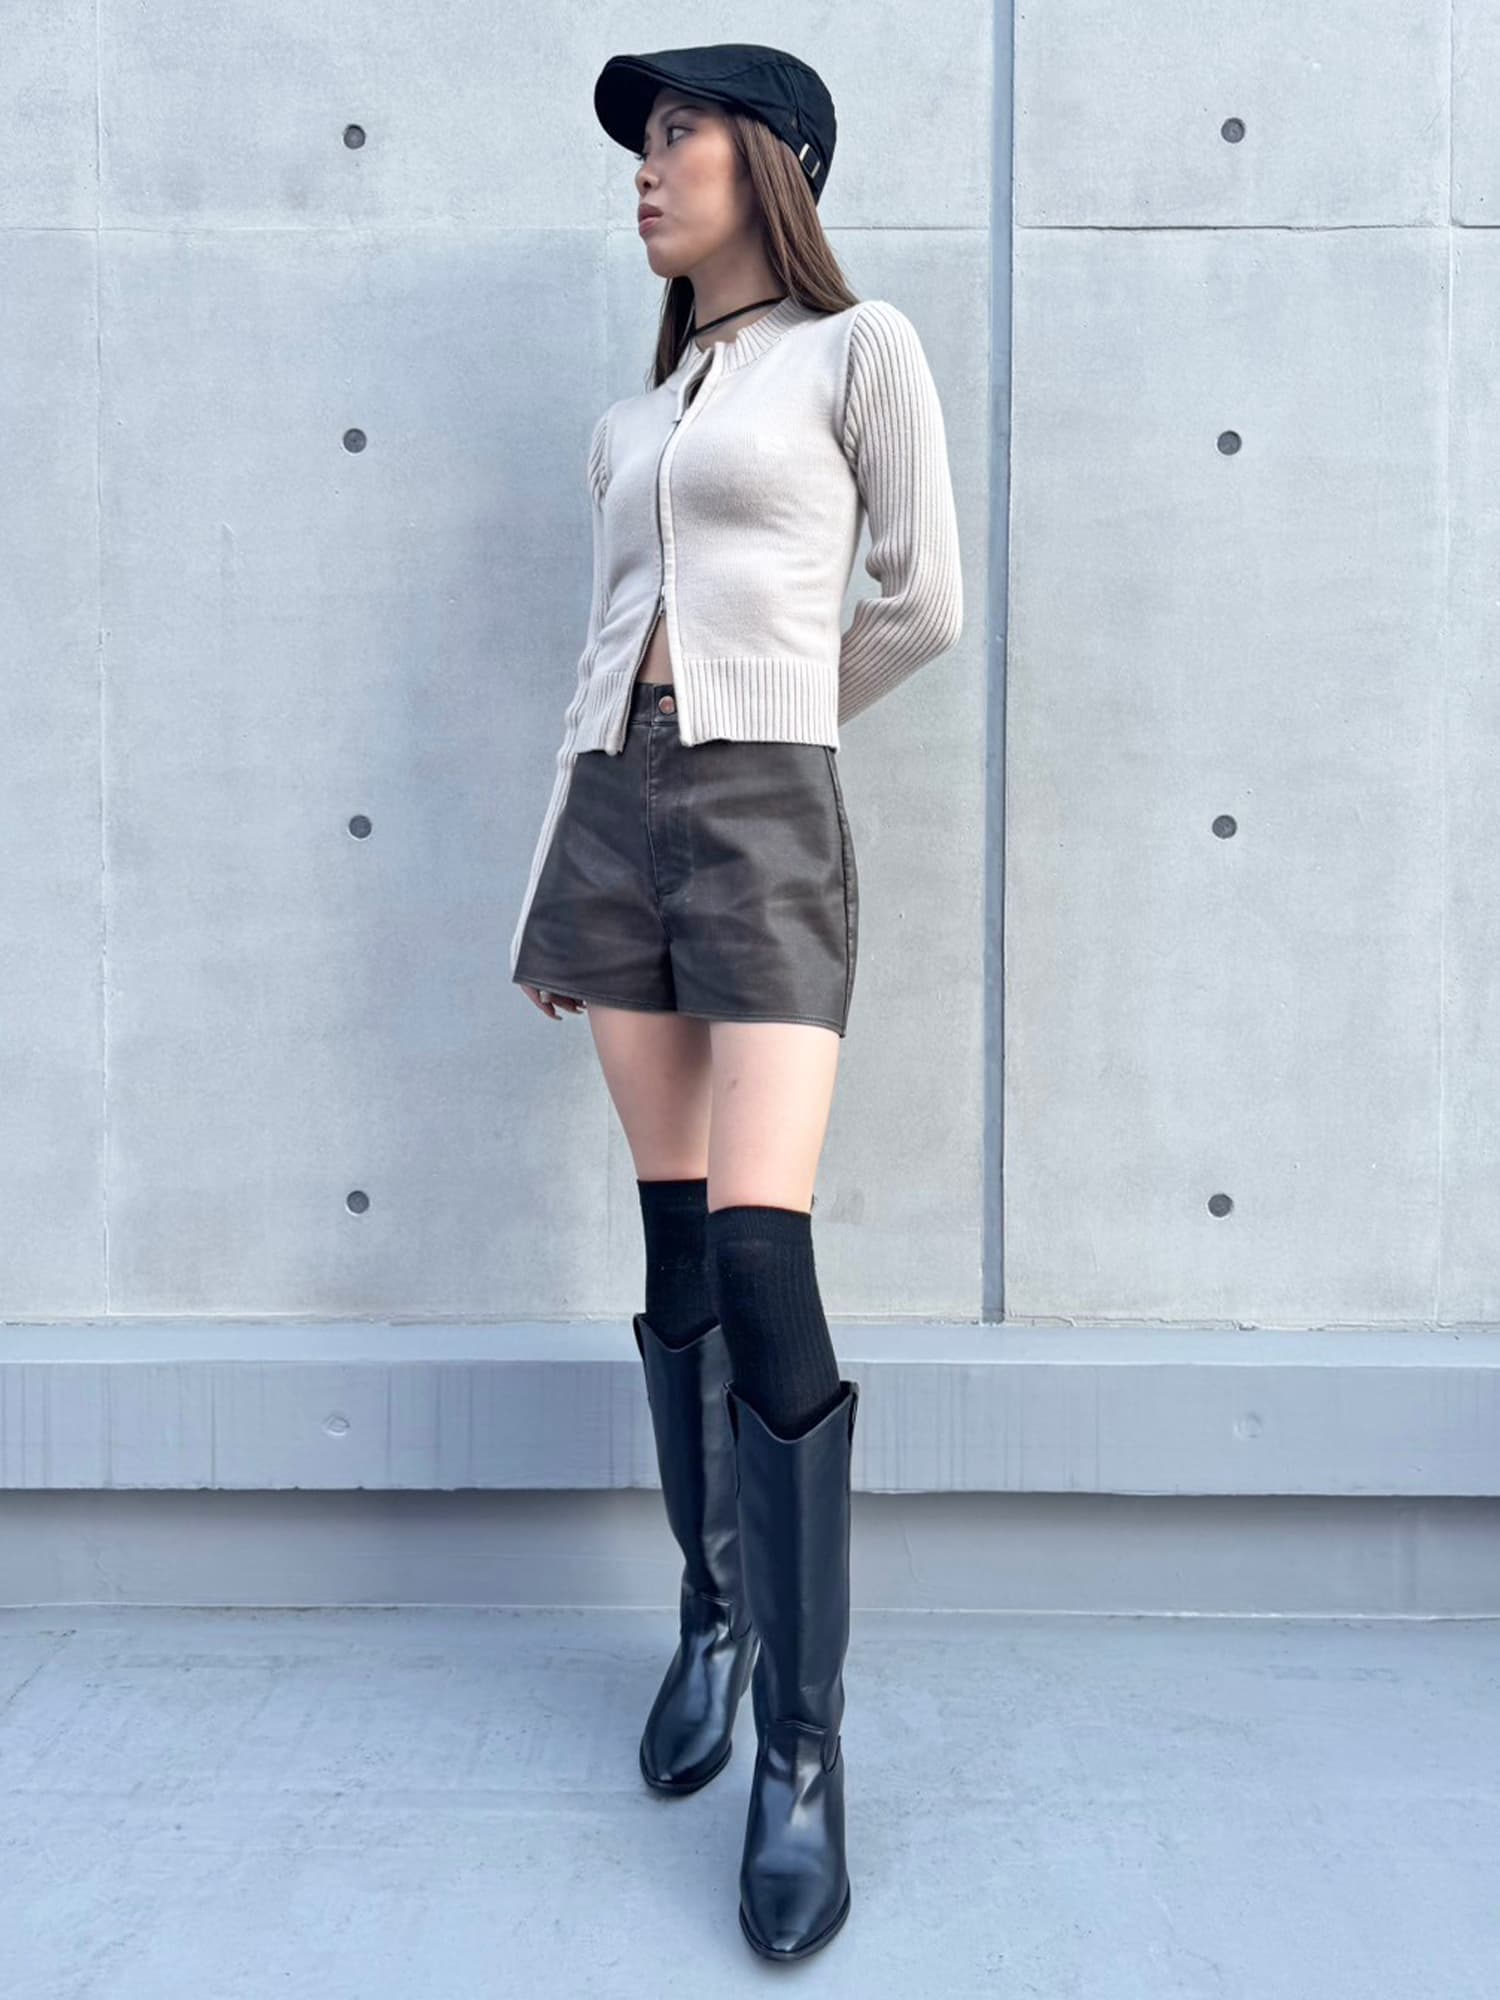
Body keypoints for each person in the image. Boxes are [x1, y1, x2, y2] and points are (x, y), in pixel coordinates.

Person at [510, 43, 963, 1963]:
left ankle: (802, 1750)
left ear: (773, 161)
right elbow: (601, 650)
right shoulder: (632, 419)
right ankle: (711, 1619)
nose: (649, 163)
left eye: (680, 131)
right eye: (642, 139)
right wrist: (560, 875)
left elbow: (921, 598)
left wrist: (765, 724)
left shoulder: (860, 352)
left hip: (768, 815)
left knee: (767, 1251)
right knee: (680, 1241)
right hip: (611, 824)